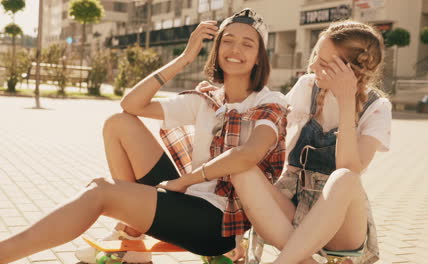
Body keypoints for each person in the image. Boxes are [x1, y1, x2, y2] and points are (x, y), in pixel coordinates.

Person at [0, 8, 288, 264]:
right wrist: (186, 57)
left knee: (100, 191)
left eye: (247, 44)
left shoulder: (269, 102)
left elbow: (248, 154)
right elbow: (131, 104)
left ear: (259, 57)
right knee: (119, 123)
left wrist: (182, 181)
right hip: (186, 199)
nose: (235, 49)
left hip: (218, 223)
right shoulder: (207, 99)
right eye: (227, 40)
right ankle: (134, 232)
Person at [200, 20, 391, 264]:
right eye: (315, 56)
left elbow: (350, 167)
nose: (311, 66)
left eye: (322, 63)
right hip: (291, 204)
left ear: (350, 71)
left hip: (340, 218)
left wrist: (346, 102)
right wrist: (220, 95)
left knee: (345, 177)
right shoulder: (307, 87)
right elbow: (262, 115)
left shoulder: (377, 107)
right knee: (242, 169)